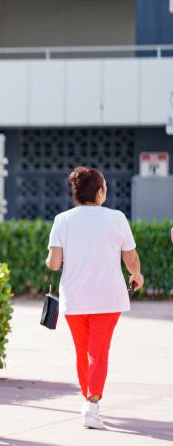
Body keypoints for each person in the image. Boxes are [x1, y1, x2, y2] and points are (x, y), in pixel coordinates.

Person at [46, 166, 143, 430]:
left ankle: (89, 401)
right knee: (98, 352)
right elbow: (131, 257)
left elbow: (53, 264)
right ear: (100, 192)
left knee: (83, 352)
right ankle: (92, 404)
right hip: (108, 298)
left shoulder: (62, 220)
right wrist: (137, 275)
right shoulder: (117, 218)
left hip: (74, 300)